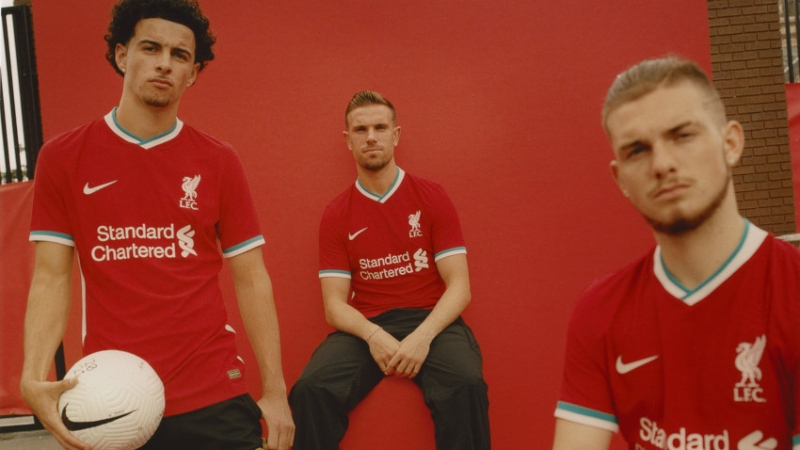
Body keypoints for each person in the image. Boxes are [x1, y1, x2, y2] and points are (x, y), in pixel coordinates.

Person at [19, 1, 294, 449]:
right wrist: (32, 376)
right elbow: (51, 277)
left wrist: (276, 392)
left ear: (193, 72)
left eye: (180, 55)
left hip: (212, 389)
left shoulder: (218, 160)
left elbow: (252, 278)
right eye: (151, 48)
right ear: (123, 55)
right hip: (113, 397)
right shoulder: (63, 157)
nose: (165, 63)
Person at [552, 56, 800, 449]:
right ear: (620, 179)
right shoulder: (599, 312)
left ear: (731, 143)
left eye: (682, 135)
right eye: (637, 150)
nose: (662, 164)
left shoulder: (792, 290)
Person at [288, 91, 491, 450]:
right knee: (310, 390)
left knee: (466, 385)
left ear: (395, 135)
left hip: (433, 321)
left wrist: (423, 336)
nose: (371, 137)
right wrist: (372, 335)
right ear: (347, 140)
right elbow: (334, 306)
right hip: (367, 324)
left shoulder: (430, 197)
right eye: (360, 129)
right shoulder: (337, 214)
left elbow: (459, 287)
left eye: (380, 127)